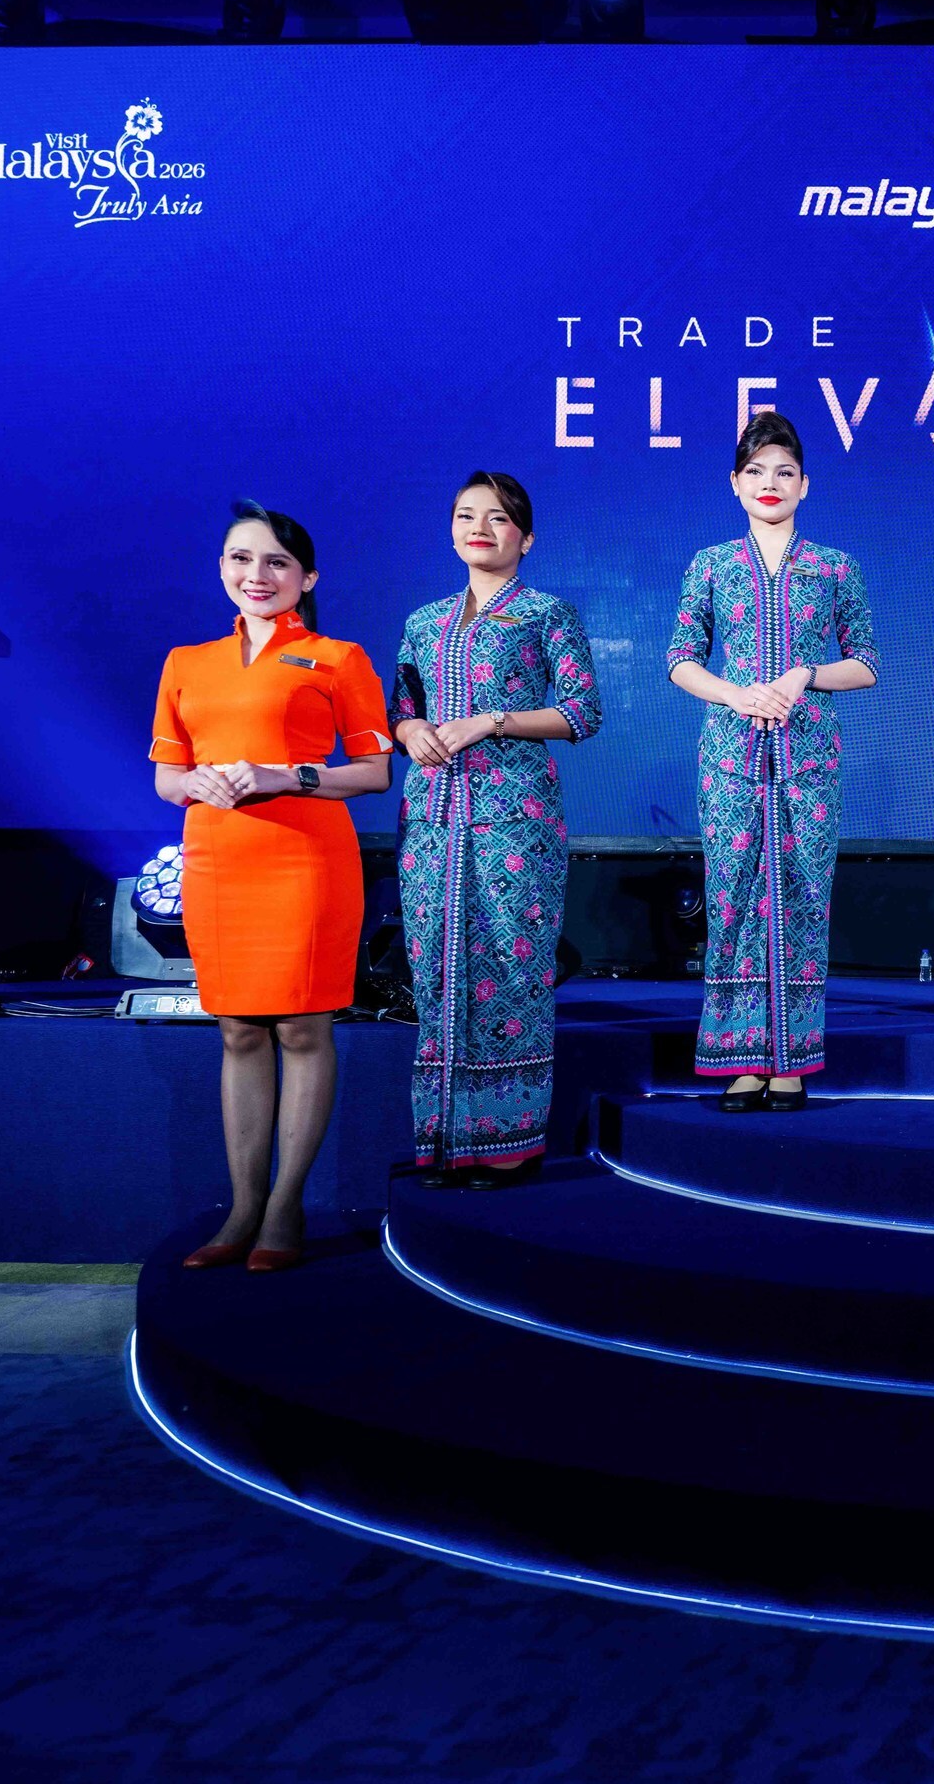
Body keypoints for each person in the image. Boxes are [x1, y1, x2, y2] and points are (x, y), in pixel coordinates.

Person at [150, 502, 393, 1271]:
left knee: (302, 1030)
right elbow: (166, 778)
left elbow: (374, 772)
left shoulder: (337, 657)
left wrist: (286, 775)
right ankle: (242, 1208)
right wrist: (197, 784)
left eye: (276, 562)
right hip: (217, 859)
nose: (256, 575)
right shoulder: (186, 662)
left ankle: (286, 1208)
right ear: (221, 567)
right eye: (240, 558)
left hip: (305, 859)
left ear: (307, 577)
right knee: (238, 1031)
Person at [389, 472, 604, 1185]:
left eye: (498, 518)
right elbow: (401, 708)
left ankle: (509, 1140)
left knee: (513, 969)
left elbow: (582, 713)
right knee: (435, 967)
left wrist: (493, 720)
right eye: (465, 515)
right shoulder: (424, 621)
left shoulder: (547, 614)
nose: (479, 528)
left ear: (526, 538)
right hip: (432, 819)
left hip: (515, 818)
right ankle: (443, 1139)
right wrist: (410, 730)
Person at [666, 411, 879, 1108]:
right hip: (729, 754)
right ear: (734, 482)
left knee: (803, 897)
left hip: (809, 755)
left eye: (785, 472)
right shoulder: (711, 565)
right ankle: (741, 1055)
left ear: (805, 485)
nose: (770, 483)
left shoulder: (835, 566)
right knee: (731, 897)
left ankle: (791, 1059)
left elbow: (866, 663)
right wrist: (735, 693)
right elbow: (679, 660)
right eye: (756, 471)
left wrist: (805, 676)